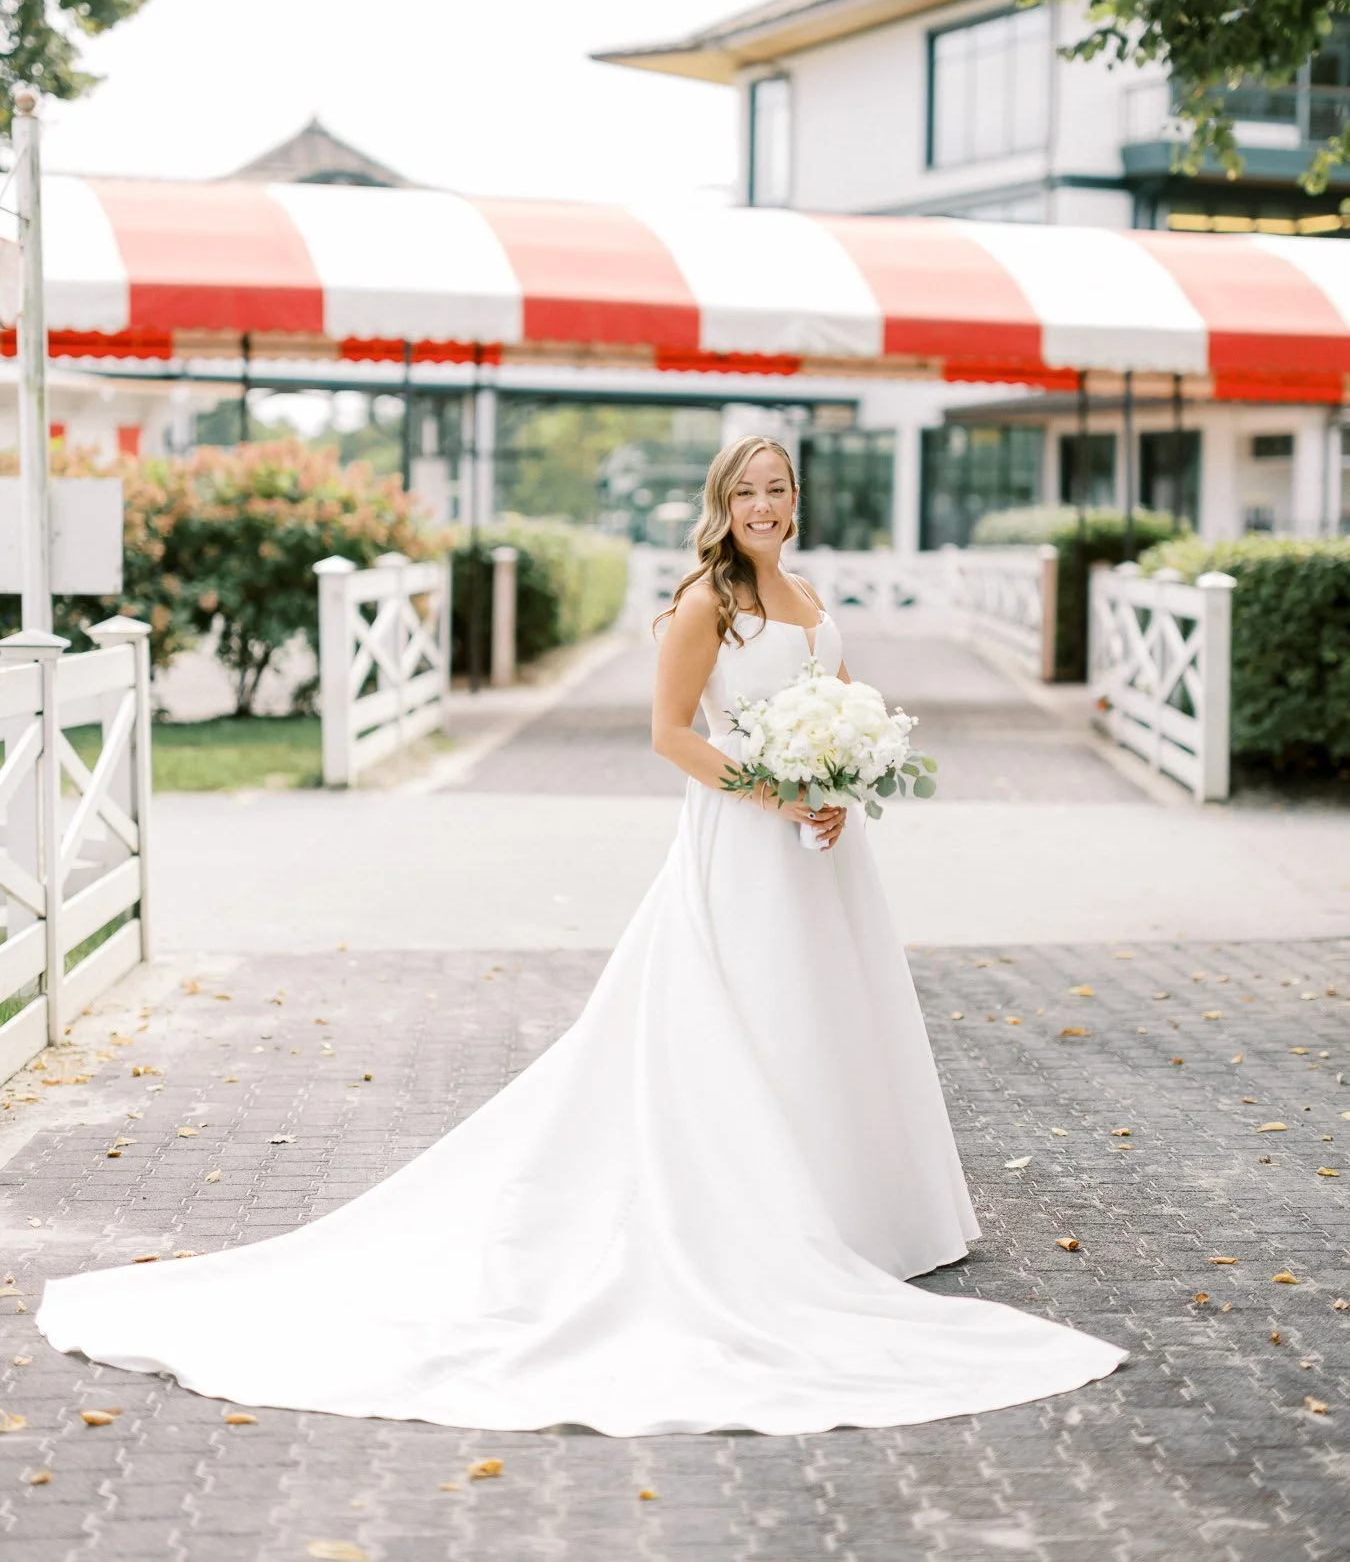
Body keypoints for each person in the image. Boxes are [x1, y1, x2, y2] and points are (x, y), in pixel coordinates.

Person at [37, 435, 1126, 1435]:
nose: (763, 504)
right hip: (740, 844)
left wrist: (842, 779)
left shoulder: (806, 594)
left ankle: (851, 1215)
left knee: (829, 1017)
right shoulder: (711, 602)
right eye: (745, 491)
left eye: (778, 488)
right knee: (744, 1017)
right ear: (721, 505)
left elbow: (832, 703)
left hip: (823, 855)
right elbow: (668, 734)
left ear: (797, 501)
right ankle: (754, 1220)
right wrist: (775, 791)